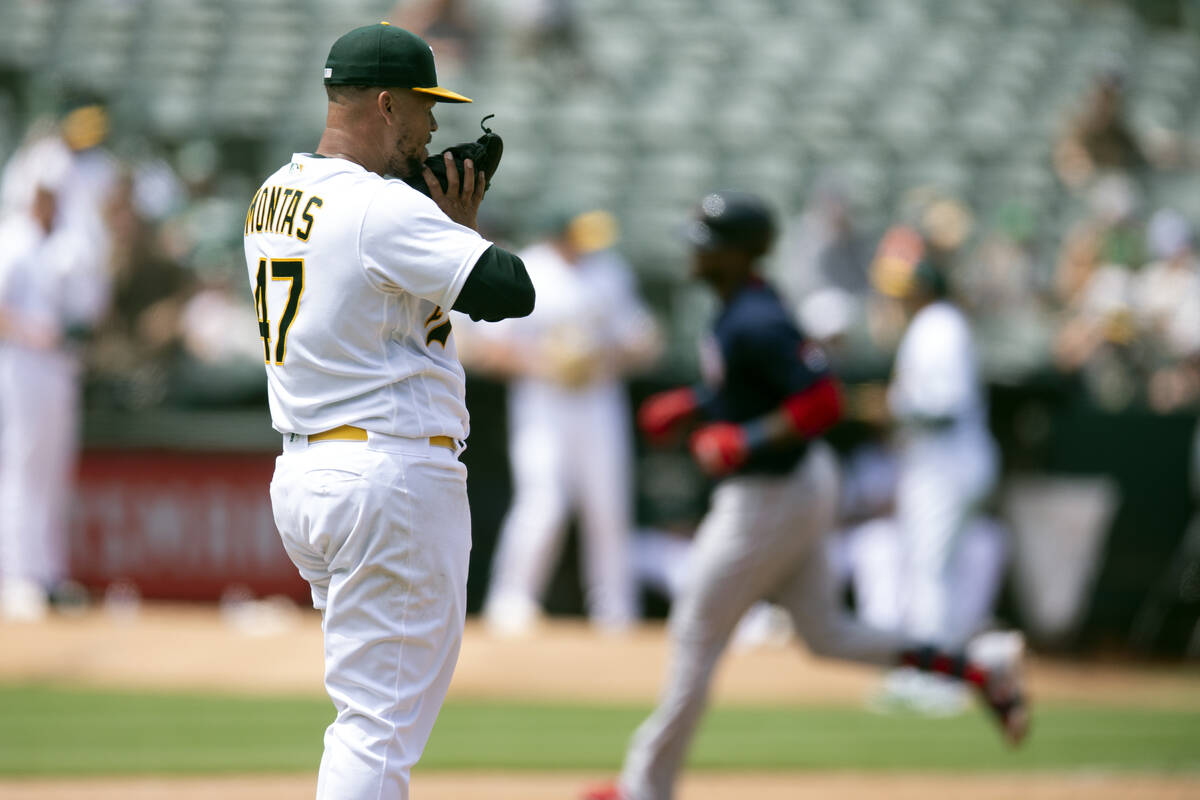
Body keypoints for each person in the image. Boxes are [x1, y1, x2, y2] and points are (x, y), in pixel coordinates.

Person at [583, 192, 1027, 800]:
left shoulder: (756, 317)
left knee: (695, 630)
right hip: (796, 483)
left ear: (741, 253)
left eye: (708, 242)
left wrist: (743, 438)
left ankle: (643, 787)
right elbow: (754, 386)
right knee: (827, 634)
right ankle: (976, 668)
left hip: (773, 491)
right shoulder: (739, 308)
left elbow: (822, 400)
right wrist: (695, 406)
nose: (695, 250)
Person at [243, 23, 533, 799]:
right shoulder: (382, 210)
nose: (434, 127)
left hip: (310, 472)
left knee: (366, 712)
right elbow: (512, 290)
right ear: (384, 103)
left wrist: (433, 233)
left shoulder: (273, 193)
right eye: (422, 107)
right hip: (388, 474)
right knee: (376, 730)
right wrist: (455, 231)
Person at [463, 208, 661, 635]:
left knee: (607, 505)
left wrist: (603, 359)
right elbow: (487, 348)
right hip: (543, 402)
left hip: (599, 399)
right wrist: (546, 363)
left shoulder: (609, 270)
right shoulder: (529, 269)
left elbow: (643, 341)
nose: (586, 243)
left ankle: (615, 609)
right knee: (543, 504)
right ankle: (512, 602)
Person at [868, 224, 1005, 713]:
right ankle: (929, 670)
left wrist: (890, 408)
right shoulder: (933, 325)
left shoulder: (940, 325)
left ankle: (940, 679)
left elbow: (944, 406)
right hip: (940, 465)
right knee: (929, 569)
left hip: (949, 466)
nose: (896, 298)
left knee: (932, 570)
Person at [0, 97, 116, 620]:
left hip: (57, 366)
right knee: (20, 468)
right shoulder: (13, 240)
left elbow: (90, 306)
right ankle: (15, 576)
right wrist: (35, 332)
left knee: (52, 471)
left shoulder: (67, 243)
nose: (51, 198)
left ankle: (47, 574)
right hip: (20, 364)